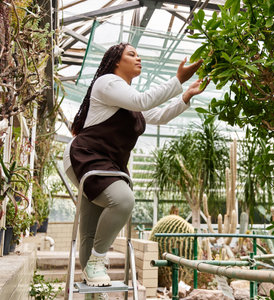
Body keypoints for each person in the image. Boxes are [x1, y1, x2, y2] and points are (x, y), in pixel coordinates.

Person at [63, 42, 206, 288]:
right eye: (132, 54)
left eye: (139, 55)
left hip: (107, 165)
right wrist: (177, 79)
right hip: (86, 158)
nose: (138, 59)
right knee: (123, 200)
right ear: (116, 61)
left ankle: (93, 288)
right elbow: (143, 101)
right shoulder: (107, 82)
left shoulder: (128, 103)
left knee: (89, 230)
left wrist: (185, 96)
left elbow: (157, 115)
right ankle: (98, 260)